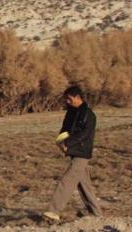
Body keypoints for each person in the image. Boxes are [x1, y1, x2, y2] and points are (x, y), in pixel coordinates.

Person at [43, 86, 103, 221]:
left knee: (67, 180)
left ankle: (54, 210)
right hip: (73, 151)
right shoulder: (71, 112)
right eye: (66, 100)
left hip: (82, 152)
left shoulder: (88, 114)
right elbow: (65, 128)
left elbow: (84, 134)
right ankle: (96, 213)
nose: (67, 102)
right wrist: (61, 141)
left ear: (77, 97)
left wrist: (68, 143)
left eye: (69, 99)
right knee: (84, 185)